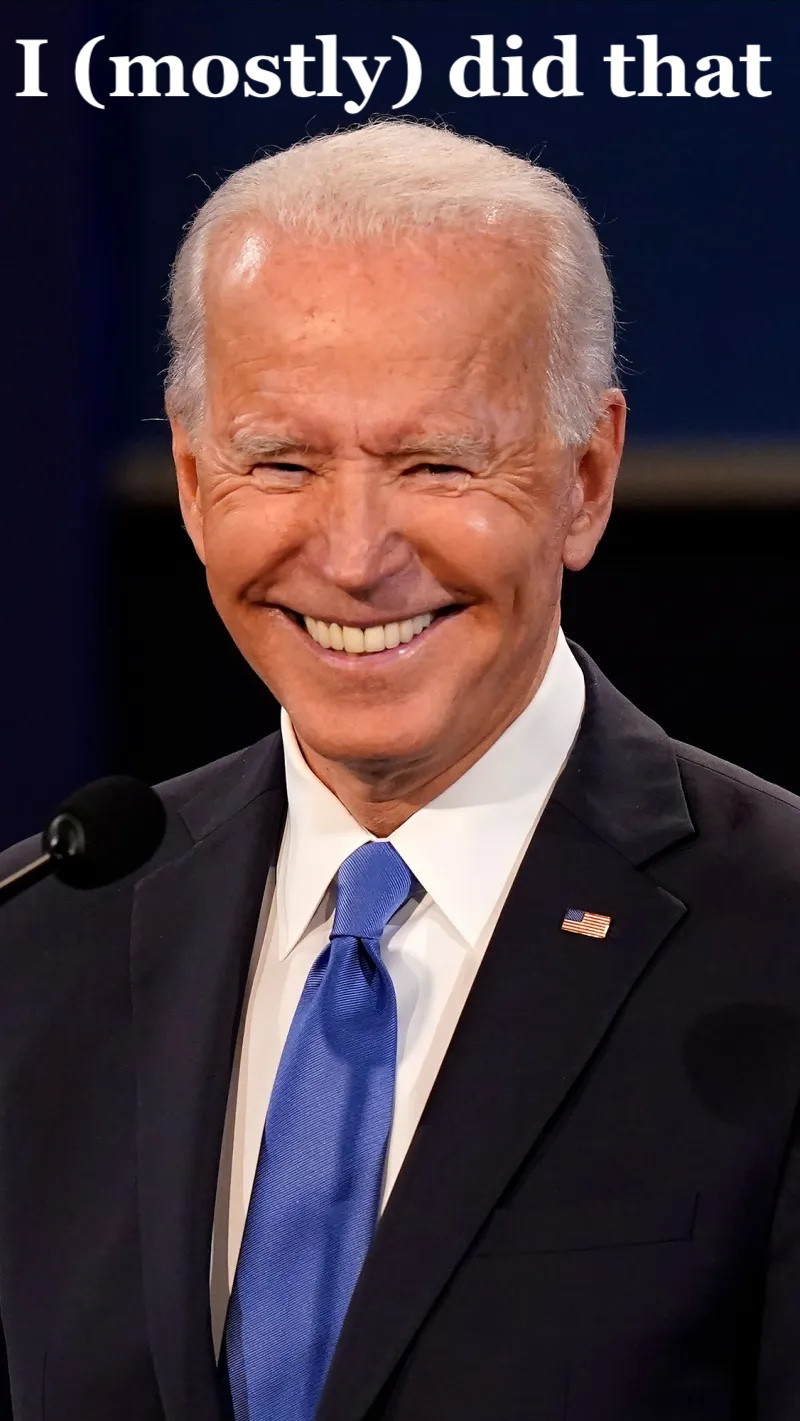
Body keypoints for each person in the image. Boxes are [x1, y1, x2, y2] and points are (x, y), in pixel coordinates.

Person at [1, 117, 800, 1421]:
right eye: (281, 463)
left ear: (586, 478)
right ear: (195, 481)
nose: (355, 555)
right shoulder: (40, 943)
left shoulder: (778, 941)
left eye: (435, 463)